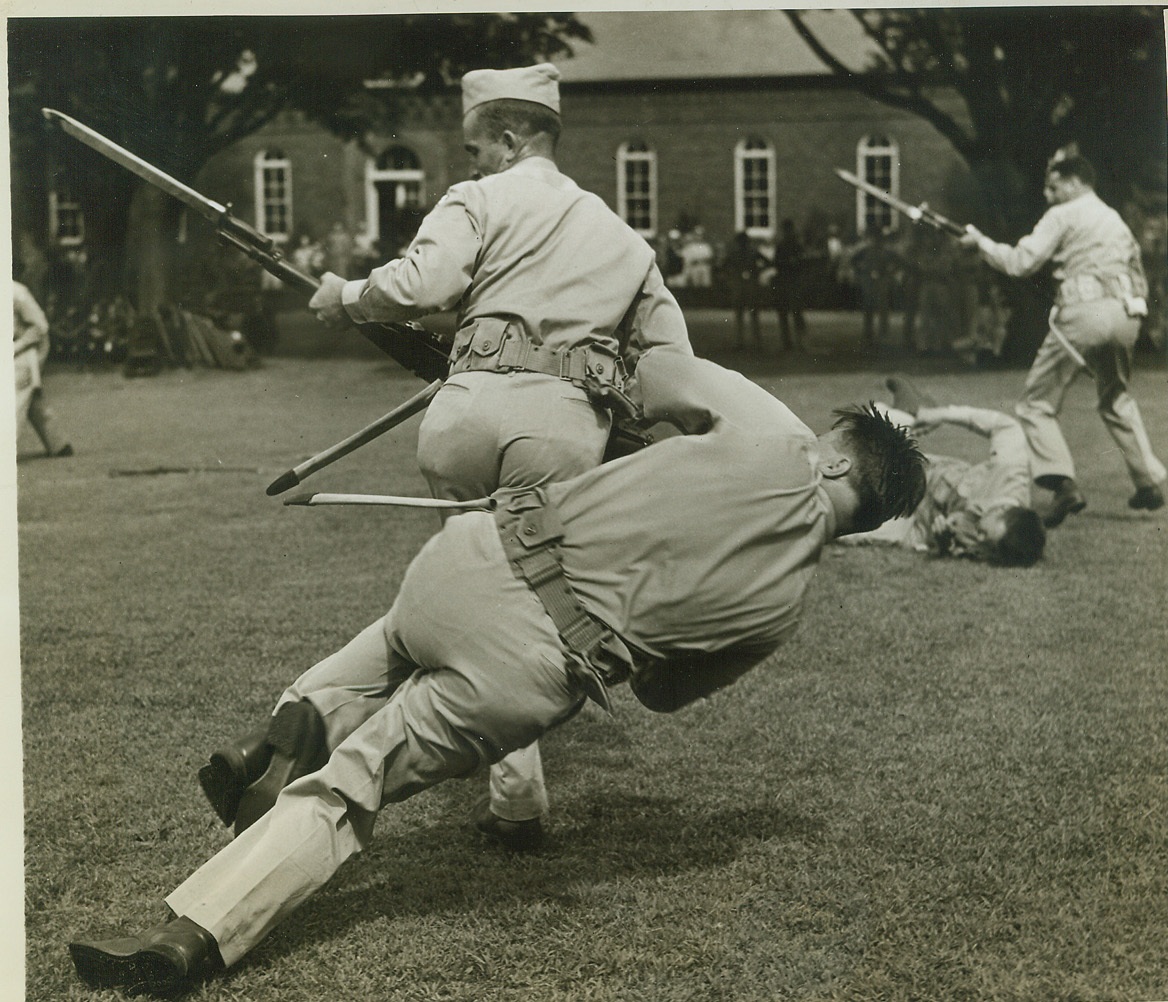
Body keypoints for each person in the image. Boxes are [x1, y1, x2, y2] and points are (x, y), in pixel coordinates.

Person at [67, 348, 927, 996]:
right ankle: (189, 939)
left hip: (480, 562)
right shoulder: (783, 614)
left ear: (840, 460)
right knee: (349, 790)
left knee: (392, 644)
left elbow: (661, 370)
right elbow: (662, 694)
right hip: (534, 674)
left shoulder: (779, 439)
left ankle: (304, 713)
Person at [200, 63, 692, 855]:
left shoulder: (481, 199)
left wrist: (346, 292)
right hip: (561, 434)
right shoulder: (622, 236)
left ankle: (308, 710)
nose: (467, 165)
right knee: (520, 613)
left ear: (506, 139)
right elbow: (674, 365)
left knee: (461, 601)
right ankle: (512, 800)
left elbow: (424, 280)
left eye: (472, 150)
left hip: (462, 422)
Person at [961, 152, 1167, 524]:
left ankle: (1062, 485)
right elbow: (1137, 270)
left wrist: (982, 245)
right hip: (1127, 316)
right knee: (1115, 396)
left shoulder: (1062, 214)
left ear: (1074, 182)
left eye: (1053, 185)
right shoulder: (1113, 218)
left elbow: (1022, 263)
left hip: (1084, 313)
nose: (1047, 193)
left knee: (1035, 403)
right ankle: (1149, 480)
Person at [837, 375, 1046, 566]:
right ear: (1001, 510)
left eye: (985, 546)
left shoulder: (995, 545)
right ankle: (905, 416)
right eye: (983, 535)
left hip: (913, 524)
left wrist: (943, 543)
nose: (977, 539)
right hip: (923, 475)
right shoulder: (1010, 473)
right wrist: (941, 415)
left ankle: (900, 417)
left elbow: (964, 548)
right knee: (865, 455)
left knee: (846, 527)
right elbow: (1006, 426)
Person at [13, 278, 73, 458]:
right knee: (32, 399)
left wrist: (21, 348)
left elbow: (41, 327)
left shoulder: (17, 293)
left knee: (13, 395)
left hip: (28, 351)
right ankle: (59, 445)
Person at [723, 231, 765, 350]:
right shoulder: (752, 252)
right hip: (749, 285)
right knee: (752, 314)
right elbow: (767, 262)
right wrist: (757, 271)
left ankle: (741, 341)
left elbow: (724, 266)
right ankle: (755, 341)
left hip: (740, 285)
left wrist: (731, 276)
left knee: (741, 314)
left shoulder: (735, 253)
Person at [770, 219, 808, 350]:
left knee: (789, 313)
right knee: (792, 313)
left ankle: (792, 342)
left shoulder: (788, 245)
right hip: (790, 282)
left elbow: (777, 262)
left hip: (789, 282)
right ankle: (795, 342)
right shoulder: (794, 245)